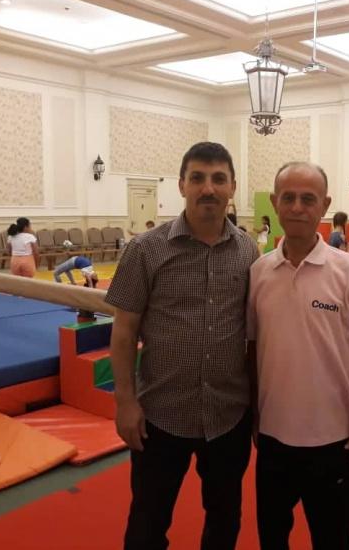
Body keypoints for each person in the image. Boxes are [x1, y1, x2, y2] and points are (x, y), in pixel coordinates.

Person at [105, 142, 258, 550]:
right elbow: (123, 333)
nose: (208, 188)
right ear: (181, 185)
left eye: (218, 179)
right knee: (147, 525)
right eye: (198, 178)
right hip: (160, 415)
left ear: (232, 187)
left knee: (225, 520)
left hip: (228, 414)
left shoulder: (248, 250)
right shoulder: (145, 249)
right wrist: (125, 402)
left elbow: (253, 333)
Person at [248, 162, 349, 550]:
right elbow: (253, 347)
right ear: (275, 202)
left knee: (334, 541)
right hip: (273, 442)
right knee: (272, 540)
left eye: (308, 199)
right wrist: (255, 414)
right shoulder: (259, 273)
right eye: (288, 198)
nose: (297, 207)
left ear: (324, 205)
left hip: (335, 442)